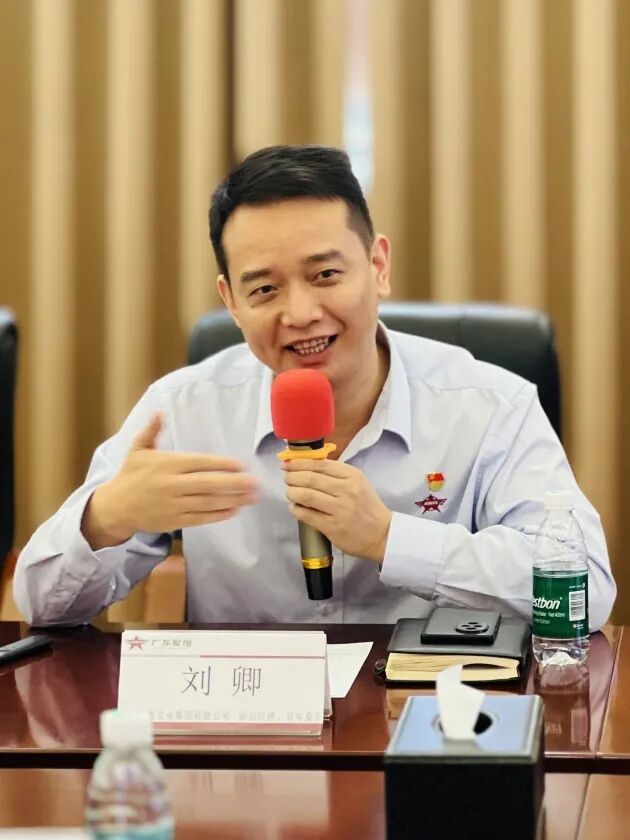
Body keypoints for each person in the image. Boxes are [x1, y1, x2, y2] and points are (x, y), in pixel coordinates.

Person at [14, 145, 615, 628]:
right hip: (246, 728)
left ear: (377, 267)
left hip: (428, 717)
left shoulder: (490, 405)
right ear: (230, 302)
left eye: (325, 274)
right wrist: (107, 518)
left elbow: (585, 591)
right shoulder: (185, 410)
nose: (301, 314)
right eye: (264, 290)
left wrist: (389, 538)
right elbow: (39, 606)